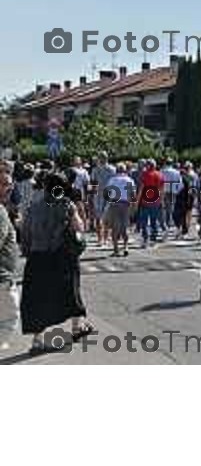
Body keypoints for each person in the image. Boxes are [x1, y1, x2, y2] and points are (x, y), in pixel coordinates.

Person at [20, 172, 93, 355]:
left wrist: (29, 252)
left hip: (37, 258)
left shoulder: (33, 207)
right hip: (62, 257)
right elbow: (79, 228)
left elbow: (25, 234)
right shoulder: (66, 205)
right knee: (71, 291)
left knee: (37, 299)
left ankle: (37, 341)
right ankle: (77, 328)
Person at [0, 169, 19, 351]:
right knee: (8, 322)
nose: (10, 188)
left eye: (10, 183)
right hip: (2, 279)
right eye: (4, 184)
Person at [105, 163, 136, 257]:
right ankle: (126, 247)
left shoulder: (112, 180)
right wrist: (133, 206)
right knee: (125, 226)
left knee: (115, 228)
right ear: (125, 170)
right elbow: (133, 194)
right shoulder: (129, 180)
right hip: (126, 204)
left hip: (115, 204)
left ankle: (116, 250)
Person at [136, 159, 164, 248]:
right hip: (156, 200)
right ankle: (153, 239)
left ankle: (145, 239)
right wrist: (161, 200)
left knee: (144, 220)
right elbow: (162, 190)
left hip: (145, 200)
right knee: (154, 220)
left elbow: (141, 188)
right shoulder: (160, 175)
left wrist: (137, 201)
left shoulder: (145, 175)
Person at [91, 151, 116, 245]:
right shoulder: (95, 170)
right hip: (99, 194)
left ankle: (105, 237)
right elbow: (93, 183)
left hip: (108, 194)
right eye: (100, 157)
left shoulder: (112, 169)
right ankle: (100, 238)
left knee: (106, 217)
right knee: (99, 217)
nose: (101, 159)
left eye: (102, 157)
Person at [161, 160, 182, 231]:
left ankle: (166, 221)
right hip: (173, 190)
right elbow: (180, 183)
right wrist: (177, 190)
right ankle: (170, 221)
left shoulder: (162, 171)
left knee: (165, 207)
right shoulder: (176, 172)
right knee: (172, 206)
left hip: (165, 190)